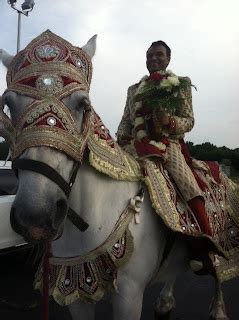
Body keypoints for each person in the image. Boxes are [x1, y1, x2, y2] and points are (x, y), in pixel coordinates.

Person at [117, 40, 212, 237]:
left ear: (168, 59)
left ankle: (205, 240)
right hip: (136, 145)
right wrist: (121, 138)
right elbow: (126, 120)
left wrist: (169, 121)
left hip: (169, 145)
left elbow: (189, 120)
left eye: (159, 55)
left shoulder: (180, 84)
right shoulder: (133, 89)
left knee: (186, 183)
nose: (153, 58)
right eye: (149, 56)